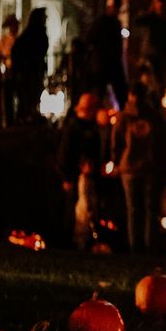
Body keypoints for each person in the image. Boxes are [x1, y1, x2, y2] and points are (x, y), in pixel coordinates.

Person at [111, 83, 165, 254]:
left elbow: (115, 143)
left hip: (129, 169)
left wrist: (117, 161)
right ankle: (151, 248)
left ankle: (135, 248)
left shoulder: (123, 117)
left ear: (129, 96)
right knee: (151, 210)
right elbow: (163, 141)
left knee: (133, 210)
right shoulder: (154, 116)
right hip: (150, 167)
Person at [57, 91, 103, 250]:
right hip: (74, 177)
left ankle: (87, 240)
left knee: (89, 209)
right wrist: (66, 177)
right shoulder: (73, 128)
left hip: (89, 176)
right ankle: (71, 242)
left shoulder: (93, 128)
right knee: (73, 211)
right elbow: (65, 154)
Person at [9, 7, 48, 122]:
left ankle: (28, 114)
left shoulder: (31, 34)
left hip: (32, 70)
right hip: (30, 70)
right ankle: (27, 115)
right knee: (29, 94)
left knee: (32, 94)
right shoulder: (34, 34)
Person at [131, 0, 166, 90]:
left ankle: (158, 95)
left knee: (160, 79)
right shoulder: (151, 18)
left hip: (161, 53)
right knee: (149, 76)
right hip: (150, 53)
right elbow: (137, 21)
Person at [91, 0, 128, 109]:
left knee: (121, 93)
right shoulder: (101, 23)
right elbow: (92, 39)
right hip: (103, 63)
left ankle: (123, 116)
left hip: (114, 63)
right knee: (99, 93)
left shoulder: (116, 23)